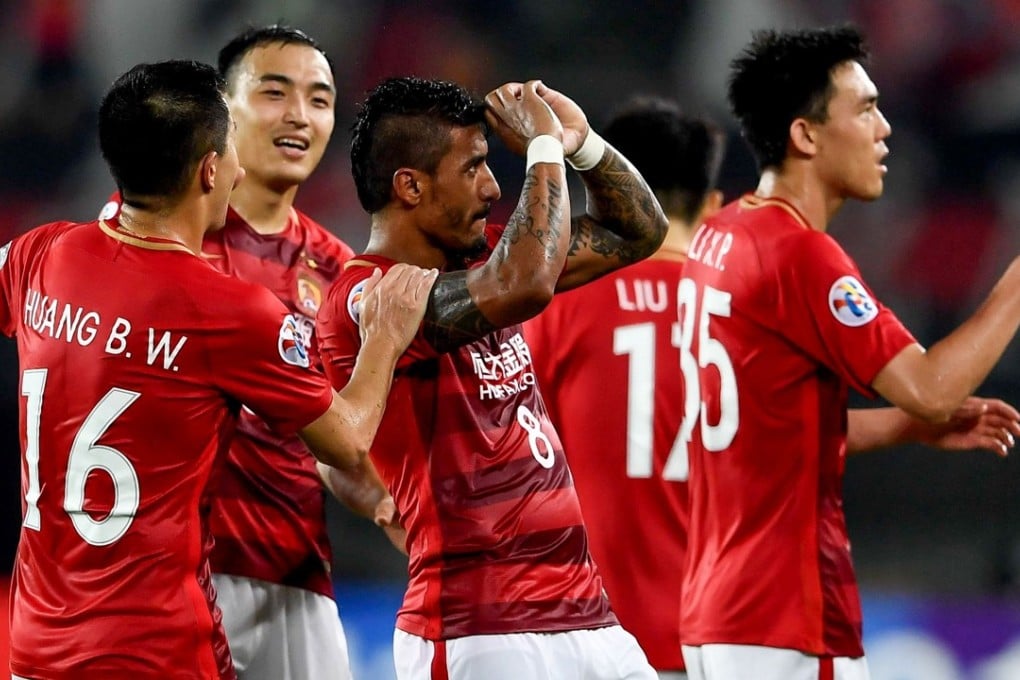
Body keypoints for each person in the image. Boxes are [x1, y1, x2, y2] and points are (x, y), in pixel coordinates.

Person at [1, 59, 436, 679]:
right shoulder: (227, 309)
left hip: (34, 651)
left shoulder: (41, 253)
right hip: (158, 651)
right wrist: (386, 338)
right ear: (210, 169)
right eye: (230, 149)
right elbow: (347, 437)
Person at [679, 25, 1020, 680]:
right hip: (790, 612)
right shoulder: (800, 253)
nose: (885, 128)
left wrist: (906, 427)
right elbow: (929, 385)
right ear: (806, 136)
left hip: (720, 609)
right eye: (865, 108)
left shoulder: (720, 236)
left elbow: (756, 427)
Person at [316, 76, 669, 680]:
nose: (492, 187)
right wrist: (542, 149)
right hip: (481, 628)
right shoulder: (371, 297)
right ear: (410, 186)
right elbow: (525, 284)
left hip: (590, 616)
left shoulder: (486, 261)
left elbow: (639, 232)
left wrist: (581, 145)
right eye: (474, 167)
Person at [522, 96, 724, 680]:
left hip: (589, 637)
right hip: (727, 640)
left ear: (600, 195)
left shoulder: (558, 301)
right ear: (712, 206)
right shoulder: (748, 311)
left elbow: (507, 441)